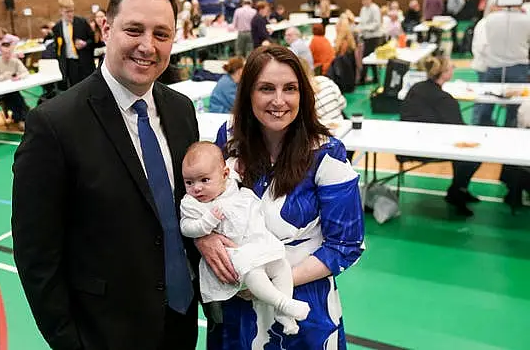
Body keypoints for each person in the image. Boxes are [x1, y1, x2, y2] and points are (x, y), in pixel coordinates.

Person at [12, 0, 200, 350]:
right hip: (106, 332)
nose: (148, 46)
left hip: (181, 318)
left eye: (161, 34)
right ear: (106, 28)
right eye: (134, 30)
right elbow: (36, 255)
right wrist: (70, 341)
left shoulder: (181, 111)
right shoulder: (54, 124)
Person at [202, 45, 364, 349]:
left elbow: (346, 245)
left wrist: (271, 283)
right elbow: (203, 200)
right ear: (248, 93)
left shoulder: (327, 153)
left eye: (289, 89)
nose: (279, 101)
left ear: (302, 94)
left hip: (302, 312)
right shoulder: (228, 139)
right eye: (266, 88)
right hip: (236, 310)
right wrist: (206, 240)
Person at [180, 142, 310, 335]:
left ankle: (283, 313)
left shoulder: (230, 184)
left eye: (204, 180)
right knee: (254, 272)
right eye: (189, 182)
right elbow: (186, 227)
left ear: (224, 175)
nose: (196, 188)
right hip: (232, 255)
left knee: (281, 265)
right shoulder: (191, 204)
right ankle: (282, 302)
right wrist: (206, 224)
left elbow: (233, 167)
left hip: (255, 245)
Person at [401, 57, 481, 216]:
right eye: (451, 67)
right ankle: (457, 191)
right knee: (473, 156)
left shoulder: (415, 89)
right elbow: (459, 129)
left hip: (407, 142)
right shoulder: (445, 99)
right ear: (444, 73)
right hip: (428, 147)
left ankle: (457, 190)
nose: (453, 69)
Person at [474, 5, 530, 127]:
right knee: (514, 108)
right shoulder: (525, 20)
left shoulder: (489, 19)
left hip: (493, 66)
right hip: (518, 67)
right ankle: (510, 130)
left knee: (486, 104)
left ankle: (482, 127)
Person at [52, 0, 96, 88]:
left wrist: (85, 44)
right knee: (76, 90)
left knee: (90, 88)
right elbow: (57, 48)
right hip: (70, 64)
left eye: (72, 11)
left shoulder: (82, 22)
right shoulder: (57, 27)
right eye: (67, 12)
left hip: (85, 62)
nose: (70, 14)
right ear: (60, 11)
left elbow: (93, 40)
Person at [0, 42, 29, 130]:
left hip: (11, 88)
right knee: (15, 98)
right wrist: (4, 76)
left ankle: (21, 118)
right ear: (0, 52)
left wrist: (18, 76)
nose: (8, 55)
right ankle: (21, 119)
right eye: (5, 53)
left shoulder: (15, 61)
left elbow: (25, 72)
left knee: (16, 96)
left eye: (9, 52)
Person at [356, 0, 383, 84]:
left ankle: (363, 79)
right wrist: (358, 28)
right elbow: (362, 22)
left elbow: (376, 24)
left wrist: (363, 28)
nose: (364, 1)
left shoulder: (375, 8)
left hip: (375, 37)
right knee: (369, 58)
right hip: (366, 37)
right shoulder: (363, 9)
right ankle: (375, 78)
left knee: (368, 58)